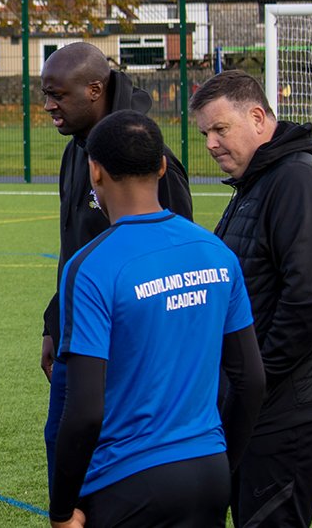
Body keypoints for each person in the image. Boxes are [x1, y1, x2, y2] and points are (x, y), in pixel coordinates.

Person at [48, 110, 265, 528]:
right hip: (209, 472)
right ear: (163, 166)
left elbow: (85, 410)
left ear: (95, 172)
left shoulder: (91, 266)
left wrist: (61, 508)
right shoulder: (216, 252)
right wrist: (223, 460)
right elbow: (252, 381)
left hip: (128, 482)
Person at [39, 41, 193, 485]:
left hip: (129, 351)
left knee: (116, 468)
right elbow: (75, 249)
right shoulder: (76, 147)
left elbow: (174, 257)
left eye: (58, 94)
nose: (48, 105)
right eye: (45, 93)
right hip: (76, 338)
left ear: (93, 89)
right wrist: (55, 322)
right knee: (63, 448)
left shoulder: (143, 155)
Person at [191, 69, 312, 527]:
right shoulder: (258, 181)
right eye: (204, 133)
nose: (210, 143)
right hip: (260, 406)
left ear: (256, 117)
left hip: (290, 409)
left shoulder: (295, 181)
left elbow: (311, 295)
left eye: (219, 129)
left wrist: (259, 379)